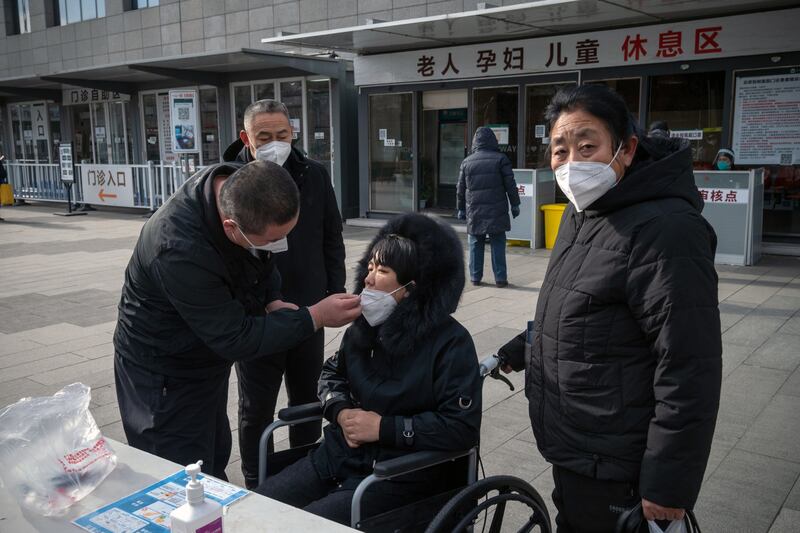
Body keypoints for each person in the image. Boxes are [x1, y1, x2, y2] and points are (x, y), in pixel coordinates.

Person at [498, 85, 721, 532]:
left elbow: (688, 368)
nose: (571, 163)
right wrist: (524, 346)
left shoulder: (668, 231)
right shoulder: (585, 214)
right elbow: (580, 313)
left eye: (587, 146)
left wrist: (667, 486)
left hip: (621, 465)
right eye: (560, 150)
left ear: (627, 148)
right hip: (577, 450)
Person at [113, 160, 361, 480]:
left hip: (204, 360)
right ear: (231, 227)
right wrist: (314, 316)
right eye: (271, 241)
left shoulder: (243, 185)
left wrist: (272, 298)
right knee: (180, 472)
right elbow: (235, 338)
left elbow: (263, 261)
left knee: (214, 453)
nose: (278, 247)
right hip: (163, 375)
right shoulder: (178, 248)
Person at [256, 213, 482, 526]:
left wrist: (383, 428)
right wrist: (340, 411)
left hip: (400, 474)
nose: (369, 279)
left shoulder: (451, 344)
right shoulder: (364, 328)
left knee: (306, 525)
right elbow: (331, 373)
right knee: (258, 505)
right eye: (371, 267)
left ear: (413, 287)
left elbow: (460, 427)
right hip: (339, 454)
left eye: (383, 270)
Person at [222, 100, 347, 489]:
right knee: (255, 407)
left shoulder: (314, 175)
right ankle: (255, 480)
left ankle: (301, 474)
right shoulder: (230, 181)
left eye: (282, 135)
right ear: (246, 138)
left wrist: (335, 291)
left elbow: (332, 236)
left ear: (293, 133)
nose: (276, 143)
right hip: (258, 316)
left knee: (307, 401)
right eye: (264, 137)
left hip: (312, 307)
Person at [456, 127, 521, 287]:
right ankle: (500, 279)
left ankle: (475, 277)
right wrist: (515, 204)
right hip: (496, 210)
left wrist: (461, 208)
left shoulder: (467, 162)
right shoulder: (501, 159)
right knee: (498, 243)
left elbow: (460, 188)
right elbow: (510, 185)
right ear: (493, 140)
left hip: (474, 210)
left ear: (475, 142)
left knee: (475, 243)